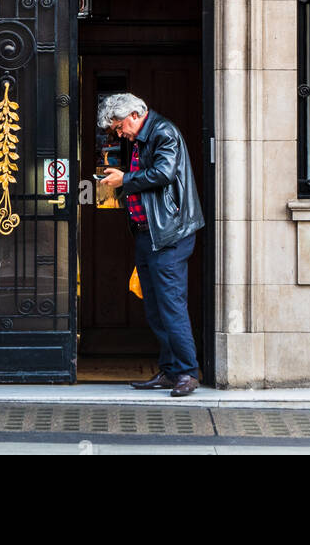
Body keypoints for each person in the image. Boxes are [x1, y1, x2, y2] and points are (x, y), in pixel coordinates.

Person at [97, 92, 204, 397]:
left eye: (119, 127)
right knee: (157, 308)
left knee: (170, 304)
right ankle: (171, 371)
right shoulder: (144, 136)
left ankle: (186, 372)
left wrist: (125, 179)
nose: (119, 133)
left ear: (134, 114)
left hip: (169, 235)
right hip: (150, 234)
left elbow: (163, 173)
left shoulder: (163, 132)